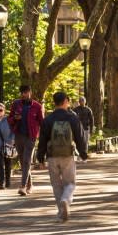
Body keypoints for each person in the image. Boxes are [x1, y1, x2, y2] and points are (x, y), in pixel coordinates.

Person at [37, 92, 88, 222]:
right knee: (70, 183)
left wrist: (40, 158)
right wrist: (83, 153)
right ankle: (65, 200)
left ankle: (61, 211)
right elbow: (80, 137)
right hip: (68, 155)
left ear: (54, 102)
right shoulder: (72, 118)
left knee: (56, 184)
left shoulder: (48, 119)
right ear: (65, 101)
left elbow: (42, 139)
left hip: (52, 156)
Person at [8, 85, 45, 196]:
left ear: (30, 92)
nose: (23, 94)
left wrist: (43, 138)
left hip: (31, 137)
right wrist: (15, 118)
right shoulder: (16, 104)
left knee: (26, 160)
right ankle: (30, 184)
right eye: (22, 93)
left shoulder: (37, 106)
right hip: (19, 135)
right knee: (22, 161)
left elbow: (42, 123)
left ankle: (22, 186)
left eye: (25, 92)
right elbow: (9, 119)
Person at [72, 96, 94, 161]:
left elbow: (91, 120)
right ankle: (79, 155)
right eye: (80, 101)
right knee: (78, 142)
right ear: (79, 102)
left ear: (85, 101)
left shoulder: (88, 110)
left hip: (86, 128)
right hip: (78, 129)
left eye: (82, 100)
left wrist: (91, 129)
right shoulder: (75, 110)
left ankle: (84, 156)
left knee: (85, 142)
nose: (81, 102)